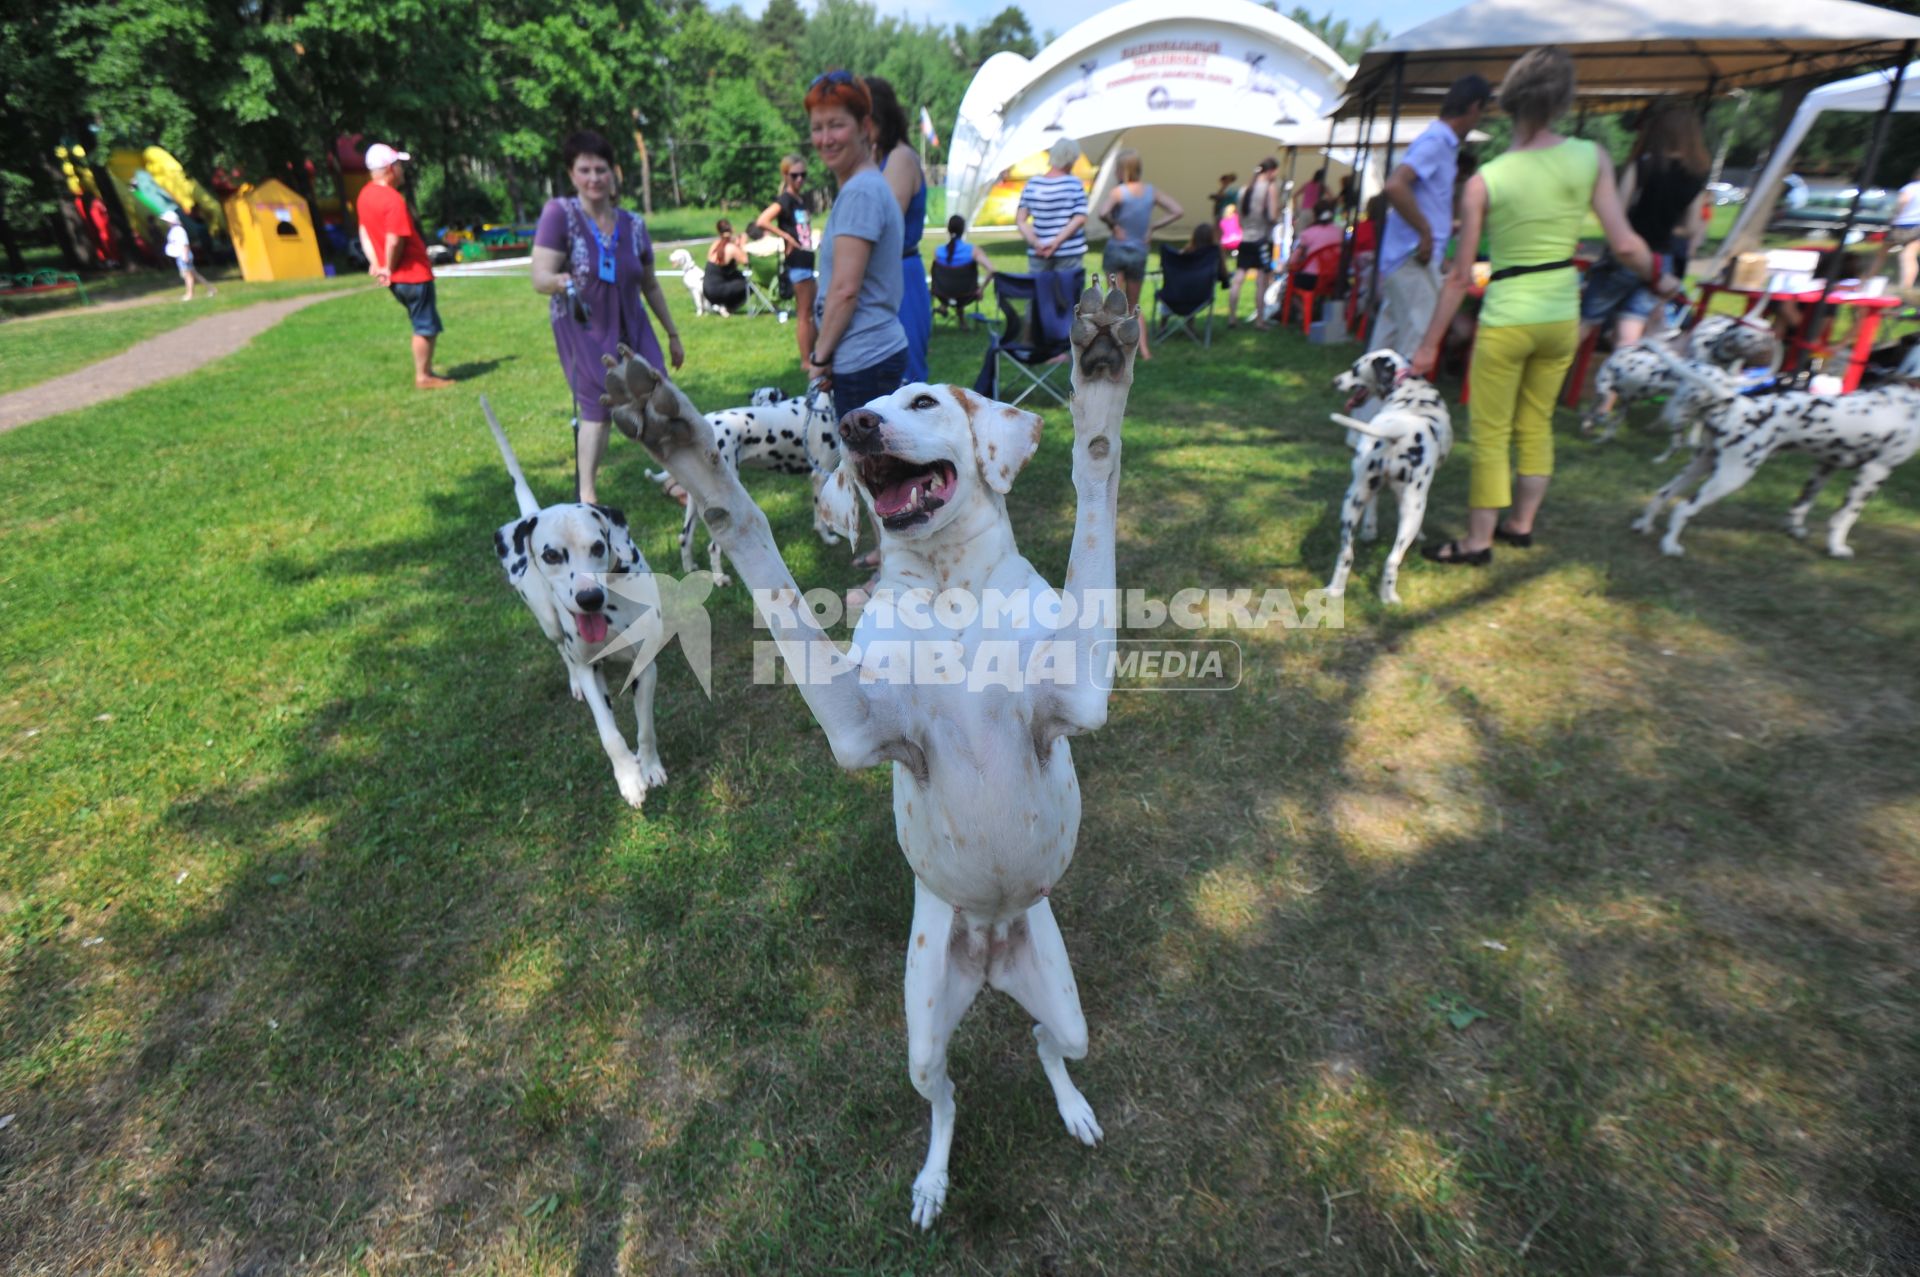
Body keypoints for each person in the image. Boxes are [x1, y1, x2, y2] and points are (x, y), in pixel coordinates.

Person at [1410, 47, 1672, 566]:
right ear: (1562, 100)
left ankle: (1478, 541)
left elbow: (1460, 278)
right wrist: (1661, 277)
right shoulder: (1591, 156)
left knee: (1491, 430)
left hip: (1507, 315)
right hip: (1559, 312)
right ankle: (1521, 526)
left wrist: (1428, 345)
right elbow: (1624, 245)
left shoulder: (1487, 179)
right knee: (1536, 422)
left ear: (1507, 103)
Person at [530, 130, 683, 504]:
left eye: (601, 169)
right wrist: (559, 280)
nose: (594, 178)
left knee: (658, 394)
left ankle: (676, 476)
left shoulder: (633, 224)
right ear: (571, 174)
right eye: (585, 170)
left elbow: (650, 285)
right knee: (597, 407)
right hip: (585, 328)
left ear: (613, 173)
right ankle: (588, 495)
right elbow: (539, 277)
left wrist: (672, 334)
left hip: (633, 322)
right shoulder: (559, 215)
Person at [802, 70, 907, 423]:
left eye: (836, 125)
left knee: (868, 476)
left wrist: (819, 358)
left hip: (865, 360)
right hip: (869, 355)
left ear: (864, 126)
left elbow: (845, 290)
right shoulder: (867, 185)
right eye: (818, 128)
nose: (825, 138)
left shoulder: (861, 192)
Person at [1579, 99, 1711, 363]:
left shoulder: (1642, 166)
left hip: (1626, 255)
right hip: (1661, 264)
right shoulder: (1695, 176)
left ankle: (1543, 378)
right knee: (1630, 334)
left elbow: (1617, 209)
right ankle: (1607, 403)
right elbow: (1691, 227)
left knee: (1585, 321)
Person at [1376, 75, 1493, 356]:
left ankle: (1368, 401)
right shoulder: (1438, 140)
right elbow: (1395, 185)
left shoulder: (1440, 141)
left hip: (1406, 257)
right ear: (1474, 107)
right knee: (1412, 344)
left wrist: (1443, 226)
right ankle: (1402, 400)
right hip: (1413, 259)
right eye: (1482, 113)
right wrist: (1427, 233)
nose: (1479, 120)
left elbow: (1421, 196)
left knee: (1386, 346)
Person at [356, 142, 453, 389]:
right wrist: (387, 266)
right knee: (425, 325)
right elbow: (394, 238)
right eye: (398, 165)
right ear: (389, 169)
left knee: (422, 322)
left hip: (398, 278)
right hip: (412, 275)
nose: (402, 170)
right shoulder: (392, 199)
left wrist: (376, 264)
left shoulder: (364, 196)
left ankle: (426, 372)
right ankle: (424, 376)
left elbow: (364, 232)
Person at [865, 76, 932, 384]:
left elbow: (880, 225)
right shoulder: (877, 159)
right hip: (884, 276)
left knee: (903, 381)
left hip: (898, 277)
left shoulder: (900, 157)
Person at [1097, 148, 1183, 359]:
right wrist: (1153, 227)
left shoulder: (1118, 192)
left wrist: (1114, 225)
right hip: (1138, 253)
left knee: (1115, 302)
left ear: (1122, 170)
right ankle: (1144, 350)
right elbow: (1177, 210)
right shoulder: (1151, 191)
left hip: (1116, 250)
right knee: (1134, 304)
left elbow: (1102, 212)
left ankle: (1115, 348)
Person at [755, 154, 821, 365]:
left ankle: (814, 354)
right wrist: (785, 236)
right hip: (797, 263)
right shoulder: (785, 199)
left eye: (803, 175)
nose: (800, 179)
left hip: (807, 258)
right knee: (804, 314)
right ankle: (805, 360)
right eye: (795, 175)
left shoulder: (800, 199)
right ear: (786, 175)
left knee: (813, 310)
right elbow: (762, 220)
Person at [1016, 137, 1089, 276]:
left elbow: (1020, 220)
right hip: (1068, 251)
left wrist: (1036, 243)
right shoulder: (1073, 184)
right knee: (1067, 295)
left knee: (1039, 294)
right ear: (1071, 158)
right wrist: (1055, 243)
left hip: (1038, 252)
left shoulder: (1033, 183)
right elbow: (1080, 218)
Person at [1229, 157, 1281, 328]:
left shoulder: (1245, 189)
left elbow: (1239, 215)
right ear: (1270, 171)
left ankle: (1232, 317)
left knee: (1238, 278)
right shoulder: (1269, 188)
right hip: (1262, 239)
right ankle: (1260, 320)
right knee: (1262, 280)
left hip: (1245, 238)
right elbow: (1273, 216)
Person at [1285, 200, 1344, 290]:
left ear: (1314, 215)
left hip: (1311, 279)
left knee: (1290, 283)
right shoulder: (1339, 232)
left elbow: (1294, 258)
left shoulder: (1308, 233)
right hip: (1333, 279)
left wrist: (1288, 264)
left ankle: (1300, 304)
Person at [161, 210, 215, 302]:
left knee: (188, 276)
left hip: (183, 255)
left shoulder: (179, 230)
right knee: (194, 274)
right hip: (180, 255)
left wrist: (185, 256)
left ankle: (189, 294)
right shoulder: (174, 231)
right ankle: (211, 289)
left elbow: (185, 244)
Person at [704, 219, 751, 314]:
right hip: (717, 290)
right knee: (750, 285)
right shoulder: (731, 248)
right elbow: (747, 262)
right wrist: (743, 245)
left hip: (707, 289)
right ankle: (728, 308)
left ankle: (720, 306)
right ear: (732, 229)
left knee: (739, 276)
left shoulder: (714, 245)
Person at [1886, 166, 1920, 290]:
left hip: (1903, 224)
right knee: (1908, 255)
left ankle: (1867, 280)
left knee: (1881, 253)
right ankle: (1906, 287)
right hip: (1918, 227)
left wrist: (1894, 216)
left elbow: (1902, 201)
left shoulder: (1910, 188)